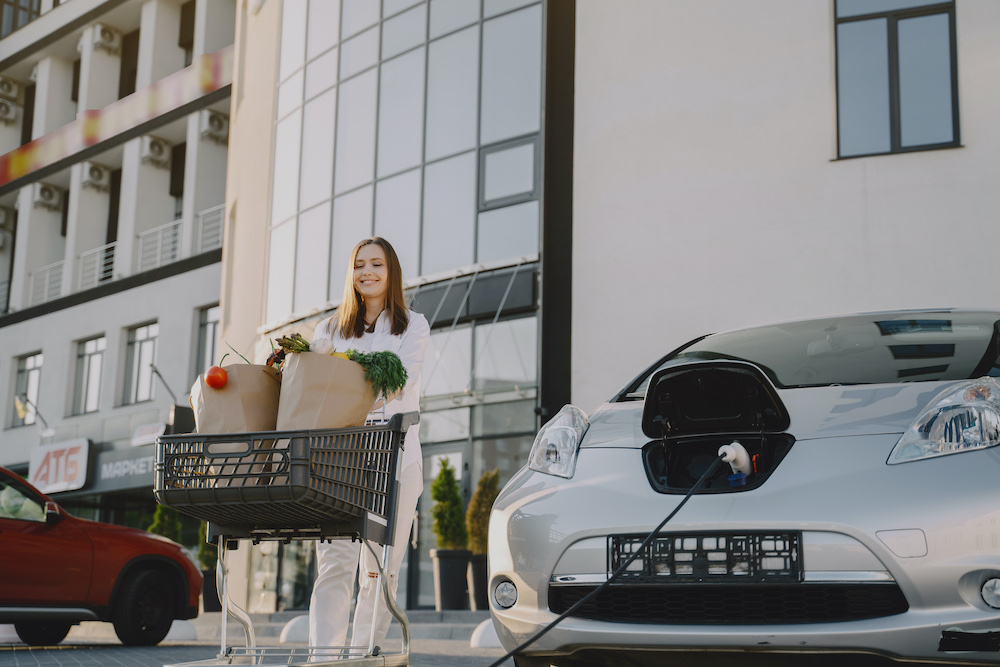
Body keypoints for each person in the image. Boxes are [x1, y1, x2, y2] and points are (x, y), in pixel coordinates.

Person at [308, 237, 430, 653]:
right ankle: (323, 657)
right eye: (359, 265)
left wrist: (347, 390)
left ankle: (362, 656)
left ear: (391, 271)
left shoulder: (413, 325)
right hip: (339, 458)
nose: (367, 272)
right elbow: (311, 388)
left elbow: (400, 382)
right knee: (334, 563)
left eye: (376, 264)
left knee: (378, 567)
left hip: (395, 457)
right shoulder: (327, 330)